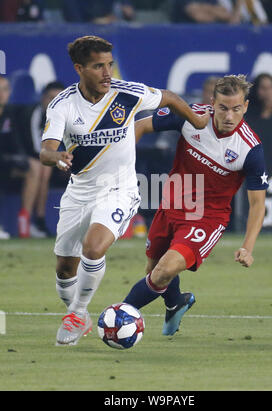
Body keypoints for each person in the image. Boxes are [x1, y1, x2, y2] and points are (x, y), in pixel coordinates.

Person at [39, 35, 210, 346]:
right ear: (79, 69)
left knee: (94, 247)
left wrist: (197, 120)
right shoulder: (63, 105)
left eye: (110, 65)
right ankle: (78, 312)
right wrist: (58, 156)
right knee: (65, 270)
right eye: (98, 66)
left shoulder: (126, 93)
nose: (107, 73)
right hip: (79, 191)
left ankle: (77, 314)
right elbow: (46, 150)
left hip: (120, 189)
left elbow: (169, 97)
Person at [124, 74, 269, 336]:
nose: (228, 116)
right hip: (170, 206)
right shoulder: (191, 117)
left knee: (163, 271)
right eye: (223, 108)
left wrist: (247, 247)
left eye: (236, 109)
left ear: (245, 107)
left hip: (206, 219)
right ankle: (176, 302)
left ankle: (120, 315)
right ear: (212, 103)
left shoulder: (250, 148)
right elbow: (140, 126)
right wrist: (121, 165)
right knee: (154, 271)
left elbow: (258, 204)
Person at [17, 81, 65, 238]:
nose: (54, 102)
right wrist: (56, 158)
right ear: (43, 98)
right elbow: (37, 149)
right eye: (51, 97)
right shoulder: (34, 114)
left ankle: (40, 220)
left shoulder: (66, 115)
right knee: (42, 168)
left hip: (57, 160)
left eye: (58, 98)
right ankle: (31, 219)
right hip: (27, 158)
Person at [0, 75, 29, 239]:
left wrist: (20, 159)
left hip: (5, 166)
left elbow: (16, 143)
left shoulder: (10, 114)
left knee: (35, 168)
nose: (1, 94)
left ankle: (26, 221)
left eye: (4, 90)